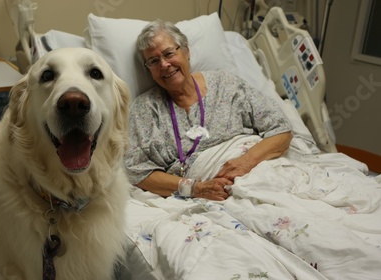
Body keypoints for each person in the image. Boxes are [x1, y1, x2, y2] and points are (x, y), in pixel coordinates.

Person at [124, 19, 293, 201]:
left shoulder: (226, 84)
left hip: (257, 171)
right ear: (148, 70)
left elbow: (282, 130)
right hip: (203, 193)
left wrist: (245, 162)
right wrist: (195, 188)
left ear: (186, 51)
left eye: (168, 53)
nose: (164, 64)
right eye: (153, 61)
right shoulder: (145, 110)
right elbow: (137, 171)